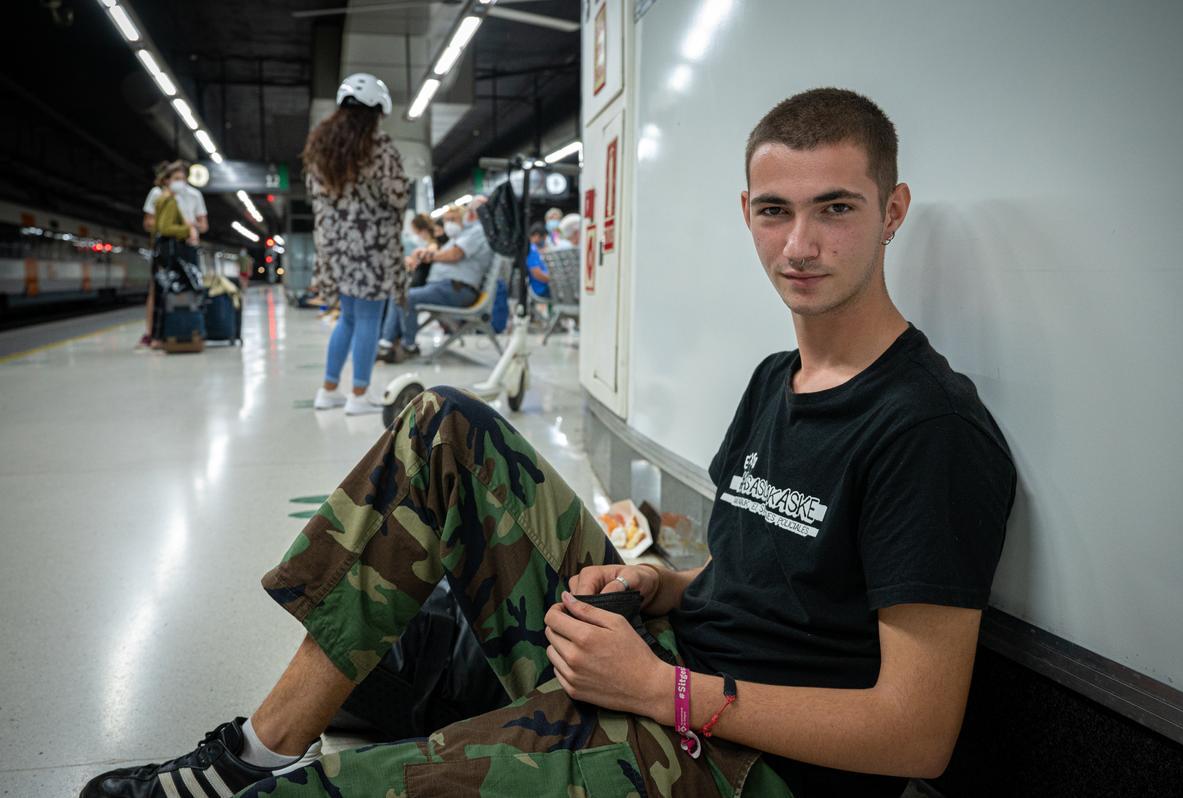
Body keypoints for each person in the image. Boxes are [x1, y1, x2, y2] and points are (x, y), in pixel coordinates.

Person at [82, 88, 1015, 798]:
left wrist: (663, 693)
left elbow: (915, 734)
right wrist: (658, 585)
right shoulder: (779, 379)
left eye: (837, 209)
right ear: (748, 215)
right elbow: (758, 580)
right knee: (443, 419)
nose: (800, 244)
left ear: (891, 212)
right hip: (672, 667)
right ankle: (257, 751)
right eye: (776, 211)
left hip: (739, 765)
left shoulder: (928, 430)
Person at [303, 72, 409, 416]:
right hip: (371, 246)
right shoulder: (377, 147)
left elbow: (316, 196)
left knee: (347, 318)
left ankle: (329, 390)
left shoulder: (320, 148)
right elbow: (397, 194)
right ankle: (359, 395)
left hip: (335, 247)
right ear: (376, 110)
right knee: (368, 319)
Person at [390, 198, 493, 360]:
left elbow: (454, 254)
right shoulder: (462, 235)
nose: (449, 224)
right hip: (446, 287)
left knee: (405, 297)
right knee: (400, 294)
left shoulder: (477, 232)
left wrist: (430, 255)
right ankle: (388, 342)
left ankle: (406, 345)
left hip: (457, 289)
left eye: (453, 219)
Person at [137, 161, 208, 348]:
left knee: (190, 288)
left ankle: (190, 329)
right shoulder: (159, 195)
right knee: (159, 289)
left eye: (184, 178)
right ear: (167, 180)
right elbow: (151, 224)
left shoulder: (194, 195)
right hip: (167, 247)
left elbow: (204, 224)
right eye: (177, 178)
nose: (181, 182)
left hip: (188, 246)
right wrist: (181, 230)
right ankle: (153, 333)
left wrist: (191, 227)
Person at [376, 213, 437, 362]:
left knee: (400, 296)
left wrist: (416, 258)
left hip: (425, 282)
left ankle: (393, 340)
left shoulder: (432, 243)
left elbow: (430, 252)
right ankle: (389, 340)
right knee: (396, 295)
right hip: (422, 280)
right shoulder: (426, 242)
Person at [526, 222, 551, 299]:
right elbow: (537, 274)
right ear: (537, 236)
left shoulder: (534, 249)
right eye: (544, 238)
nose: (544, 241)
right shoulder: (532, 250)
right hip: (541, 289)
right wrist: (553, 280)